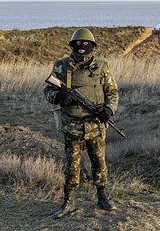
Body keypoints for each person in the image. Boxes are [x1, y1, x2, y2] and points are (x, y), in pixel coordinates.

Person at [44, 28, 119, 219]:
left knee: (99, 163)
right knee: (71, 166)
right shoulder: (62, 66)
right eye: (78, 46)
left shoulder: (101, 66)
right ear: (72, 47)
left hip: (96, 126)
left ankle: (102, 197)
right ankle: (68, 202)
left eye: (86, 46)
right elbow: (48, 92)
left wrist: (108, 110)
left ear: (93, 47)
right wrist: (60, 96)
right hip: (72, 126)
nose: (82, 49)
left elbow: (112, 92)